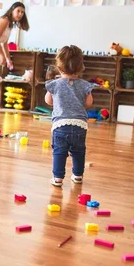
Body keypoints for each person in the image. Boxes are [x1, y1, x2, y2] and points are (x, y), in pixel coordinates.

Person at [44, 45, 94, 187]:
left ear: (59, 67)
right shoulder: (85, 85)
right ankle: (78, 175)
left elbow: (48, 100)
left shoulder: (54, 84)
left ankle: (58, 178)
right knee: (78, 151)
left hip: (60, 125)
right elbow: (89, 103)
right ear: (80, 67)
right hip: (80, 125)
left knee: (59, 152)